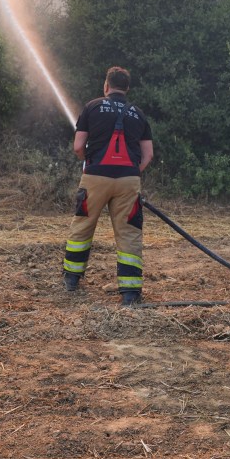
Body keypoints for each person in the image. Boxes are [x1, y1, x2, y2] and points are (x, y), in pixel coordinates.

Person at [63, 66, 154, 306]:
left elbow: (78, 145)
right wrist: (132, 173)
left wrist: (90, 164)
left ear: (106, 86)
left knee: (82, 227)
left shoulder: (92, 107)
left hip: (95, 178)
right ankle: (130, 293)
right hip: (128, 181)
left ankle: (71, 279)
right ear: (127, 88)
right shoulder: (138, 113)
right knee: (129, 234)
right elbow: (148, 155)